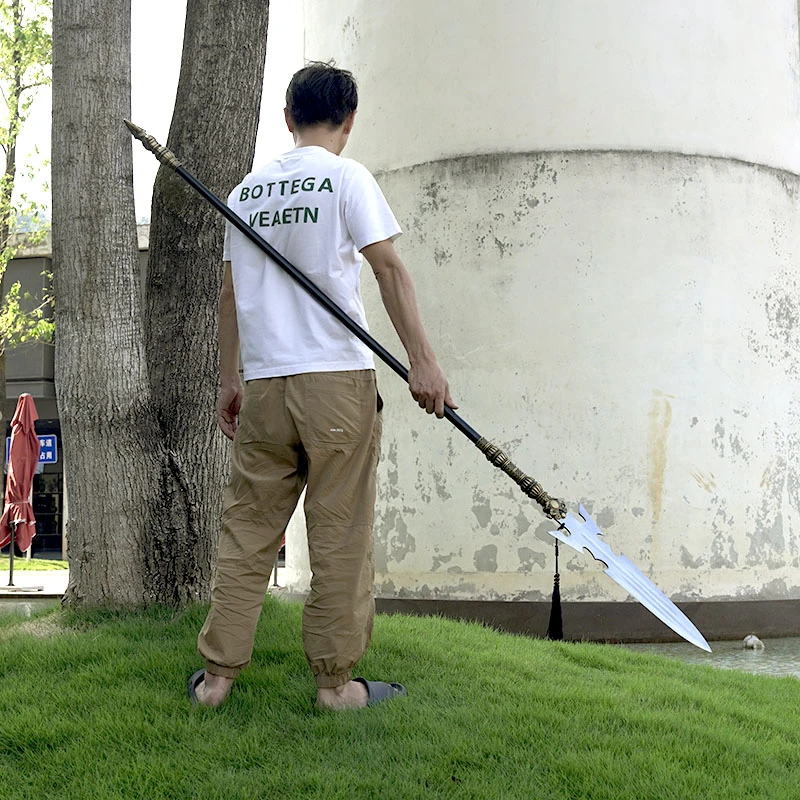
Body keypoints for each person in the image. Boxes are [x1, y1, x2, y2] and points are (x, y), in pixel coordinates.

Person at [189, 62, 456, 711]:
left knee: (248, 529)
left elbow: (230, 293)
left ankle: (216, 681)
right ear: (350, 118)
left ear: (288, 118)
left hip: (266, 383)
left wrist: (232, 379)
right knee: (338, 531)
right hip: (335, 378)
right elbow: (389, 271)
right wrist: (423, 363)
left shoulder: (246, 190)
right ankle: (336, 686)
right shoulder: (346, 177)